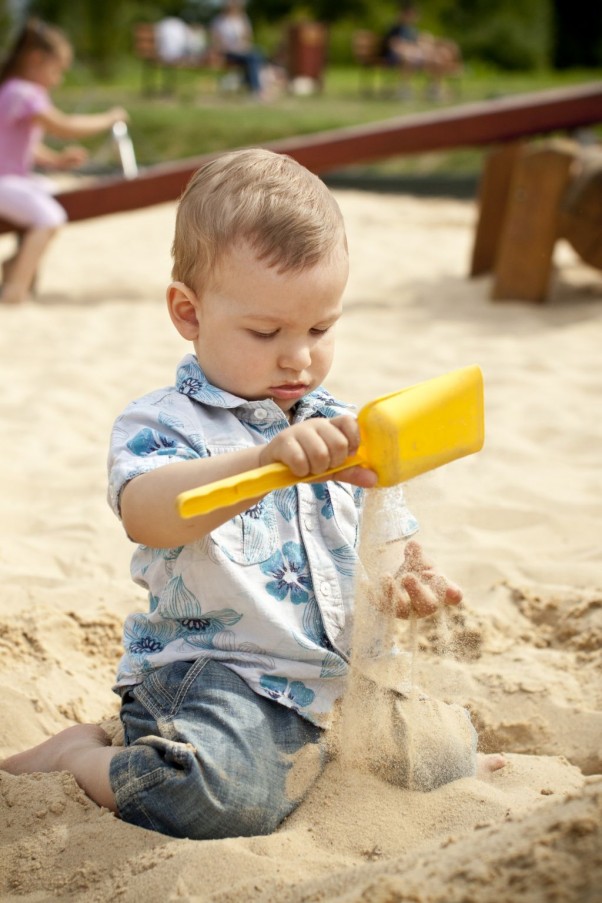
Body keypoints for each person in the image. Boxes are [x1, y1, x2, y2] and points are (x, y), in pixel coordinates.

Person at [0, 148, 504, 839]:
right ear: (189, 311)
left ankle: (345, 758)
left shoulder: (343, 426)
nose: (298, 356)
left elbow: (384, 535)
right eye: (266, 332)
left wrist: (409, 573)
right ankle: (81, 753)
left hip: (337, 682)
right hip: (221, 679)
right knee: (221, 798)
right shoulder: (165, 422)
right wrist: (261, 458)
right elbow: (150, 513)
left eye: (320, 328)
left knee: (443, 752)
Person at [0, 18, 128, 304]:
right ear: (35, 60)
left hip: (12, 179)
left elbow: (22, 146)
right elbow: (64, 126)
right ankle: (15, 289)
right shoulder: (23, 93)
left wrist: (56, 160)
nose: (59, 79)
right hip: (4, 182)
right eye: (57, 69)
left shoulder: (13, 90)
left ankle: (15, 266)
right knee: (49, 217)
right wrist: (109, 118)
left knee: (56, 195)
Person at [382, 1, 462, 99]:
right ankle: (404, 89)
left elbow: (418, 43)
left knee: (435, 59)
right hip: (395, 57)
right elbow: (394, 45)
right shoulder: (395, 29)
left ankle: (434, 88)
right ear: (402, 14)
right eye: (409, 14)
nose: (412, 17)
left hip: (414, 56)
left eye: (413, 14)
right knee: (408, 58)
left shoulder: (412, 29)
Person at [209, 0, 266, 97]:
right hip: (227, 52)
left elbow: (247, 36)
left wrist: (243, 45)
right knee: (253, 58)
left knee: (257, 55)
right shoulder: (219, 21)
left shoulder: (242, 19)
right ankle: (255, 89)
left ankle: (251, 85)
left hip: (242, 50)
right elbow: (216, 40)